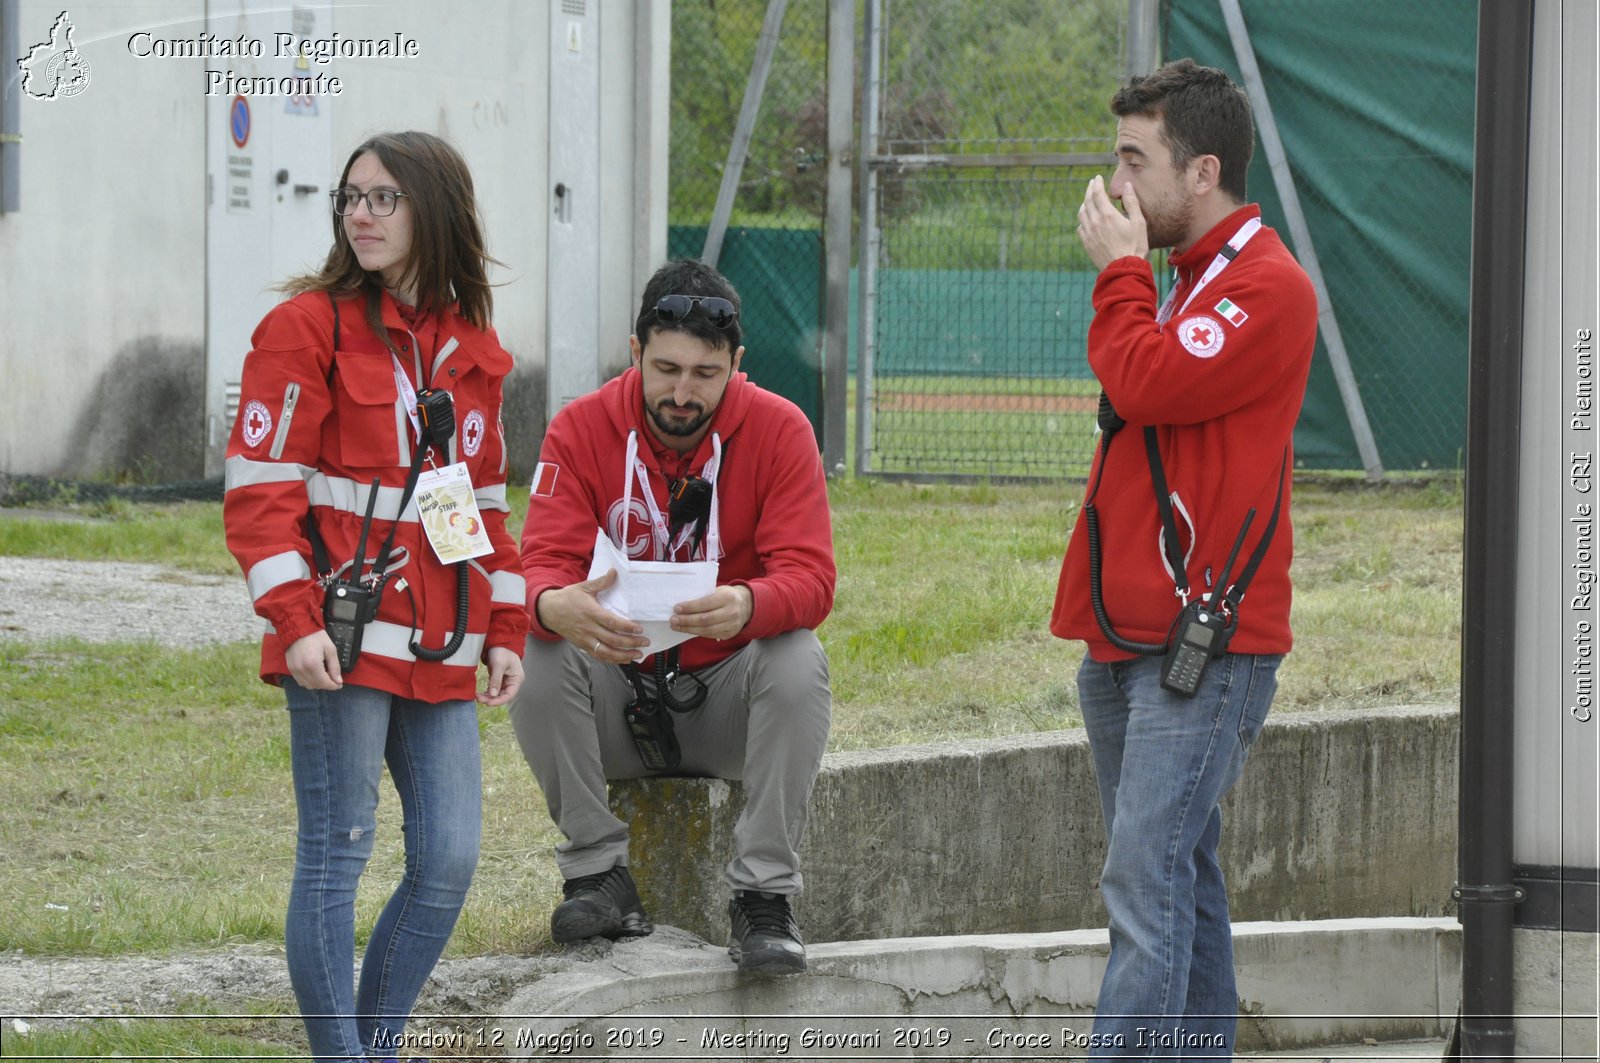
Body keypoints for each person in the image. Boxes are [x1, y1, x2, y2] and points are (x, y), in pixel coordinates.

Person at [223, 131, 528, 1060]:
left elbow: (478, 506)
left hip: (438, 644)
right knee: (338, 852)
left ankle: (375, 1045)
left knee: (448, 859)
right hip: (339, 642)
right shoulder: (304, 328)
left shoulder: (472, 349)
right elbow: (259, 490)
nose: (360, 213)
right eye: (351, 197)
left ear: (434, 209)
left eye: (384, 197)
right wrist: (293, 616)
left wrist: (506, 623)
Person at [1051, 59, 1317, 1058]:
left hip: (1206, 637)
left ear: (1202, 171)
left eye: (1133, 159)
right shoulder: (1186, 281)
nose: (1116, 186)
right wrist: (1133, 281)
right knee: (1177, 872)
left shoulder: (1266, 287)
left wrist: (1118, 275)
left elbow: (1149, 381)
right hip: (1127, 634)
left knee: (1143, 877)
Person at [510, 259, 834, 975]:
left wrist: (749, 603)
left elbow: (812, 579)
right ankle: (597, 874)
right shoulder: (580, 427)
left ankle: (763, 897)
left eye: (705, 373)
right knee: (536, 647)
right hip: (615, 700)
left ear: (736, 364)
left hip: (723, 704)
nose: (683, 393)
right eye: (665, 369)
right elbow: (537, 568)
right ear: (634, 353)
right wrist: (552, 603)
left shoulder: (782, 430)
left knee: (798, 656)